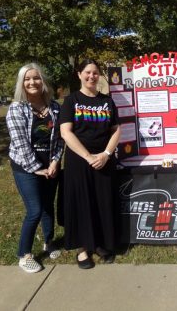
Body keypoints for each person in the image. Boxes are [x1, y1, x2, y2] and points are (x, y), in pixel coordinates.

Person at [59, 58, 121, 269]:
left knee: (102, 202)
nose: (91, 76)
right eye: (87, 72)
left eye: (95, 73)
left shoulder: (107, 101)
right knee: (81, 204)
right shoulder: (71, 101)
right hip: (79, 162)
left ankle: (101, 244)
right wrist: (88, 157)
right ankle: (82, 248)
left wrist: (105, 154)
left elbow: (116, 131)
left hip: (104, 161)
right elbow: (65, 132)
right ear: (79, 74)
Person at [6, 63, 64, 273]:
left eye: (36, 78)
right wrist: (36, 168)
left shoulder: (55, 107)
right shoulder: (17, 108)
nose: (32, 82)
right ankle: (24, 255)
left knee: (48, 206)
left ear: (43, 81)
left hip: (50, 165)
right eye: (27, 79)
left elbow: (59, 139)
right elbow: (20, 143)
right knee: (35, 210)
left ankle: (48, 242)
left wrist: (55, 161)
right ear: (22, 83)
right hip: (25, 168)